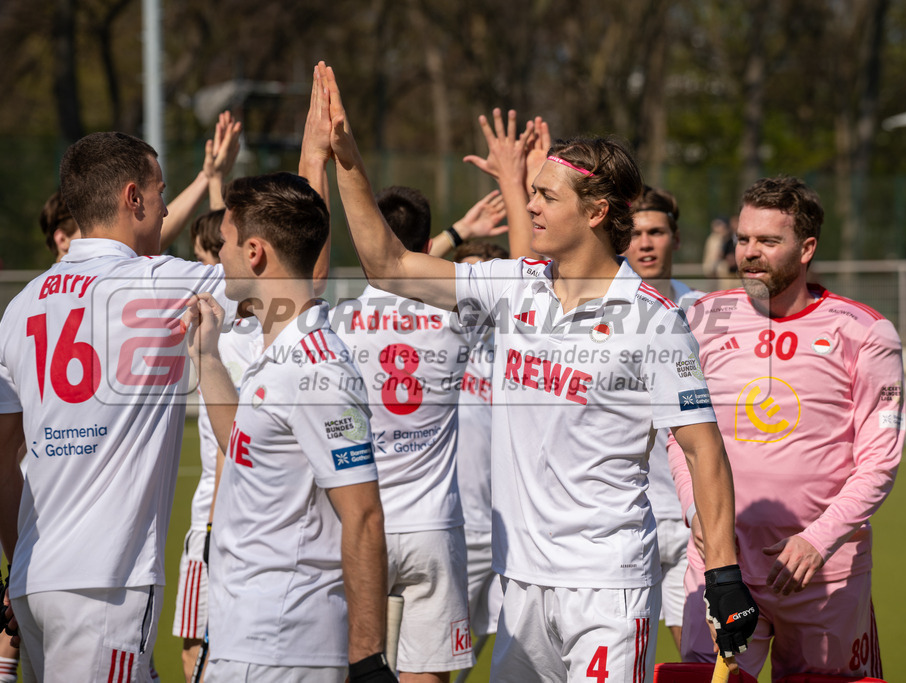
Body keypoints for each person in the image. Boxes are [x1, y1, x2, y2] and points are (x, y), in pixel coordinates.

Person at [314, 61, 757, 682]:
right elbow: (389, 266)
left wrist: (725, 575)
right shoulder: (514, 285)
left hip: (607, 592)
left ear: (598, 211)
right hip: (518, 586)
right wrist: (348, 161)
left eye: (547, 195)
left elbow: (704, 450)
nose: (531, 204)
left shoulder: (655, 321)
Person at [0, 130, 240, 681]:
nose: (166, 206)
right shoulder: (157, 282)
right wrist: (320, 160)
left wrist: (24, 553)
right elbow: (282, 267)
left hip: (36, 579)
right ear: (132, 198)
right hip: (107, 583)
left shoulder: (21, 306)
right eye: (161, 190)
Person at [668, 177, 901, 680]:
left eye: (768, 242)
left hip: (824, 575)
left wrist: (818, 541)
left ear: (807, 248)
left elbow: (880, 461)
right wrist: (696, 514)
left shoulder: (865, 331)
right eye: (743, 238)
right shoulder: (702, 318)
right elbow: (679, 433)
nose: (750, 254)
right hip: (722, 566)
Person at [183, 174, 394, 683]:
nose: (218, 259)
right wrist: (208, 358)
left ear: (254, 252)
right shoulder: (278, 352)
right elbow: (242, 446)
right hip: (246, 639)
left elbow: (363, 515)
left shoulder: (316, 368)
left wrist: (367, 660)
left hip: (285, 646)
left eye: (226, 244)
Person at [330, 185, 477, 683]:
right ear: (426, 245)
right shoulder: (455, 319)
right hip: (433, 525)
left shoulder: (338, 322)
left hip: (357, 524)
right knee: (428, 674)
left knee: (353, 668)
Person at [172, 209, 263, 682]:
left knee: (198, 651)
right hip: (231, 519)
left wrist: (213, 524)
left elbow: (235, 442)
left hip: (215, 519)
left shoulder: (227, 343)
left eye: (204, 258)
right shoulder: (258, 337)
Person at [621, 186, 703, 653]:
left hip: (693, 518)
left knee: (702, 659)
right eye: (635, 233)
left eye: (657, 231)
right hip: (630, 518)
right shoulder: (608, 312)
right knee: (626, 657)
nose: (646, 243)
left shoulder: (705, 312)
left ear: (676, 239)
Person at [38, 110, 241, 263]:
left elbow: (150, 231)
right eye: (86, 225)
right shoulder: (147, 279)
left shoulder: (30, 298)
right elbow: (236, 277)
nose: (97, 231)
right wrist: (211, 180)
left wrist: (209, 178)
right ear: (61, 240)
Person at [449, 240, 508, 683]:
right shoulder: (434, 343)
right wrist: (456, 233)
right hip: (457, 538)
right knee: (441, 668)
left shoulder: (517, 348)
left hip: (515, 543)